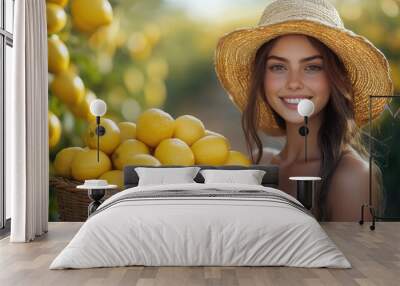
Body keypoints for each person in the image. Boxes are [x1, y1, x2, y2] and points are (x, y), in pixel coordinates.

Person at [214, 0, 393, 221]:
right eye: (278, 67)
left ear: (336, 79)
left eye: (312, 67)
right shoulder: (255, 164)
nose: (293, 83)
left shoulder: (351, 176)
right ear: (262, 79)